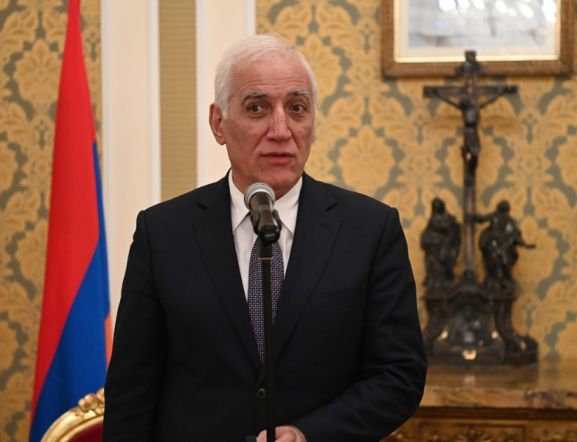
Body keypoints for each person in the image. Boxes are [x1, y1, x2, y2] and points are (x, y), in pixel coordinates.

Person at [103, 34, 427, 441]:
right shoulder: (163, 233)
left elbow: (399, 375)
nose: (281, 129)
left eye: (296, 108)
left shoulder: (370, 230)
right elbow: (132, 391)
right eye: (257, 108)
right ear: (218, 123)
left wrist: (309, 434)